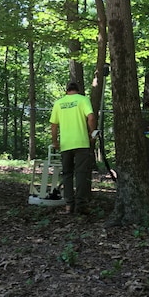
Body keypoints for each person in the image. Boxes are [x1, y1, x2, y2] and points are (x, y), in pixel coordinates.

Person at [50, 82, 97, 215]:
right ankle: (81, 206)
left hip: (65, 144)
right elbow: (91, 117)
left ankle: (69, 205)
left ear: (67, 91)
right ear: (78, 90)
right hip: (82, 142)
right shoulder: (83, 99)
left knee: (67, 174)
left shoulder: (58, 103)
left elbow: (53, 125)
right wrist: (92, 133)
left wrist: (55, 141)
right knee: (81, 174)